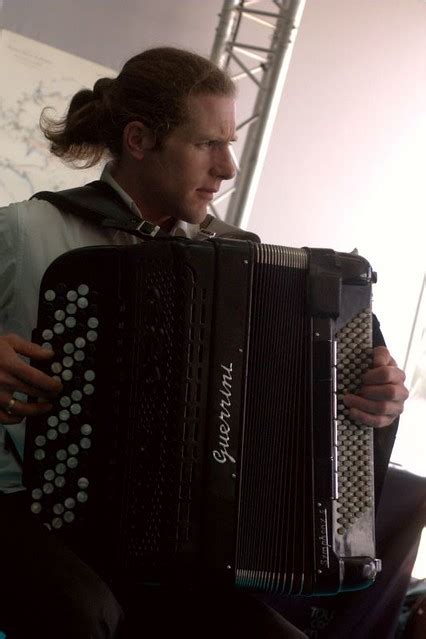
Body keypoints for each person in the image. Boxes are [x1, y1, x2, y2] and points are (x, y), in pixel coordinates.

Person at [0, 47, 408, 639]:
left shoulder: (237, 263)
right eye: (207, 145)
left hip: (177, 543)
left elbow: (288, 409)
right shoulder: (26, 230)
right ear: (139, 140)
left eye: (231, 143)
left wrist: (371, 395)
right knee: (83, 616)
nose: (228, 168)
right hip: (20, 507)